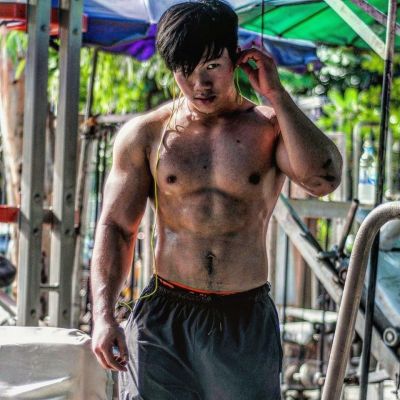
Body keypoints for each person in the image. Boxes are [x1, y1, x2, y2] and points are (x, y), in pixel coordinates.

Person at [90, 1, 342, 399]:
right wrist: (104, 315)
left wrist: (276, 94)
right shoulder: (146, 134)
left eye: (211, 66)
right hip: (164, 314)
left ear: (237, 57)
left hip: (243, 316)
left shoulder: (268, 128)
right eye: (185, 71)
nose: (199, 84)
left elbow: (323, 179)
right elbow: (117, 227)